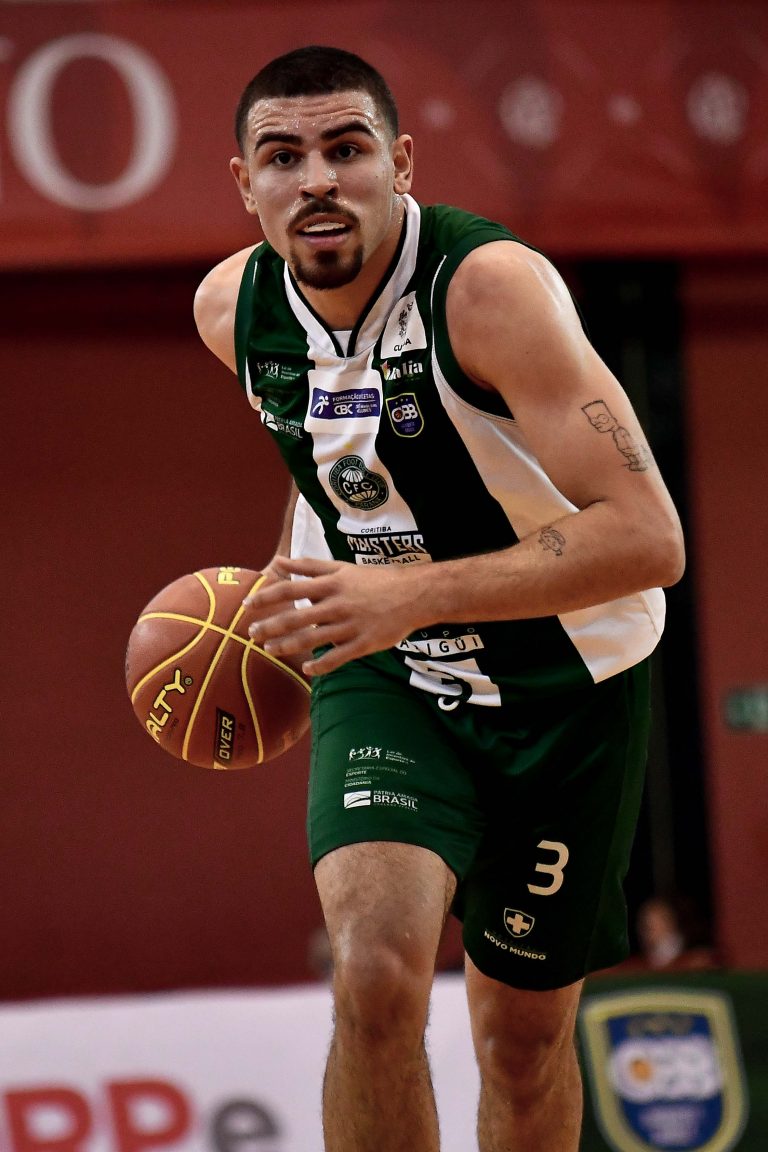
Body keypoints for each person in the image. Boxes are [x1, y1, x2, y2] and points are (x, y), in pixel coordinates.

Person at [194, 44, 685, 1152]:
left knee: (519, 1041)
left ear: (402, 164)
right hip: (392, 674)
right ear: (244, 184)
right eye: (284, 157)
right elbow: (329, 460)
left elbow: (649, 537)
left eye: (346, 148)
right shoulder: (232, 309)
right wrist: (286, 581)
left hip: (569, 679)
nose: (317, 179)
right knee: (373, 977)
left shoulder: (489, 291)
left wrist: (406, 594)